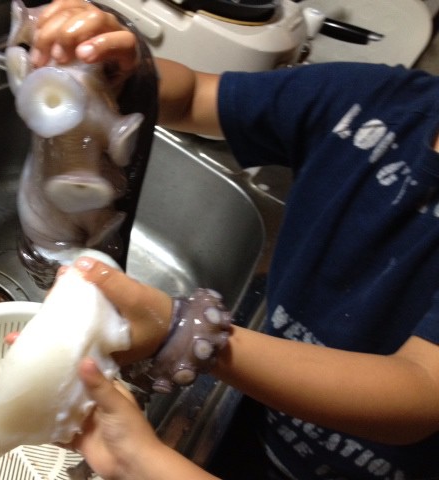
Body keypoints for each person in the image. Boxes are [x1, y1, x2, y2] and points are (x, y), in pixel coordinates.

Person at [23, 1, 439, 478]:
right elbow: (194, 97)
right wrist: (114, 73)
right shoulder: (368, 100)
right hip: (268, 413)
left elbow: (420, 389)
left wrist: (182, 332)